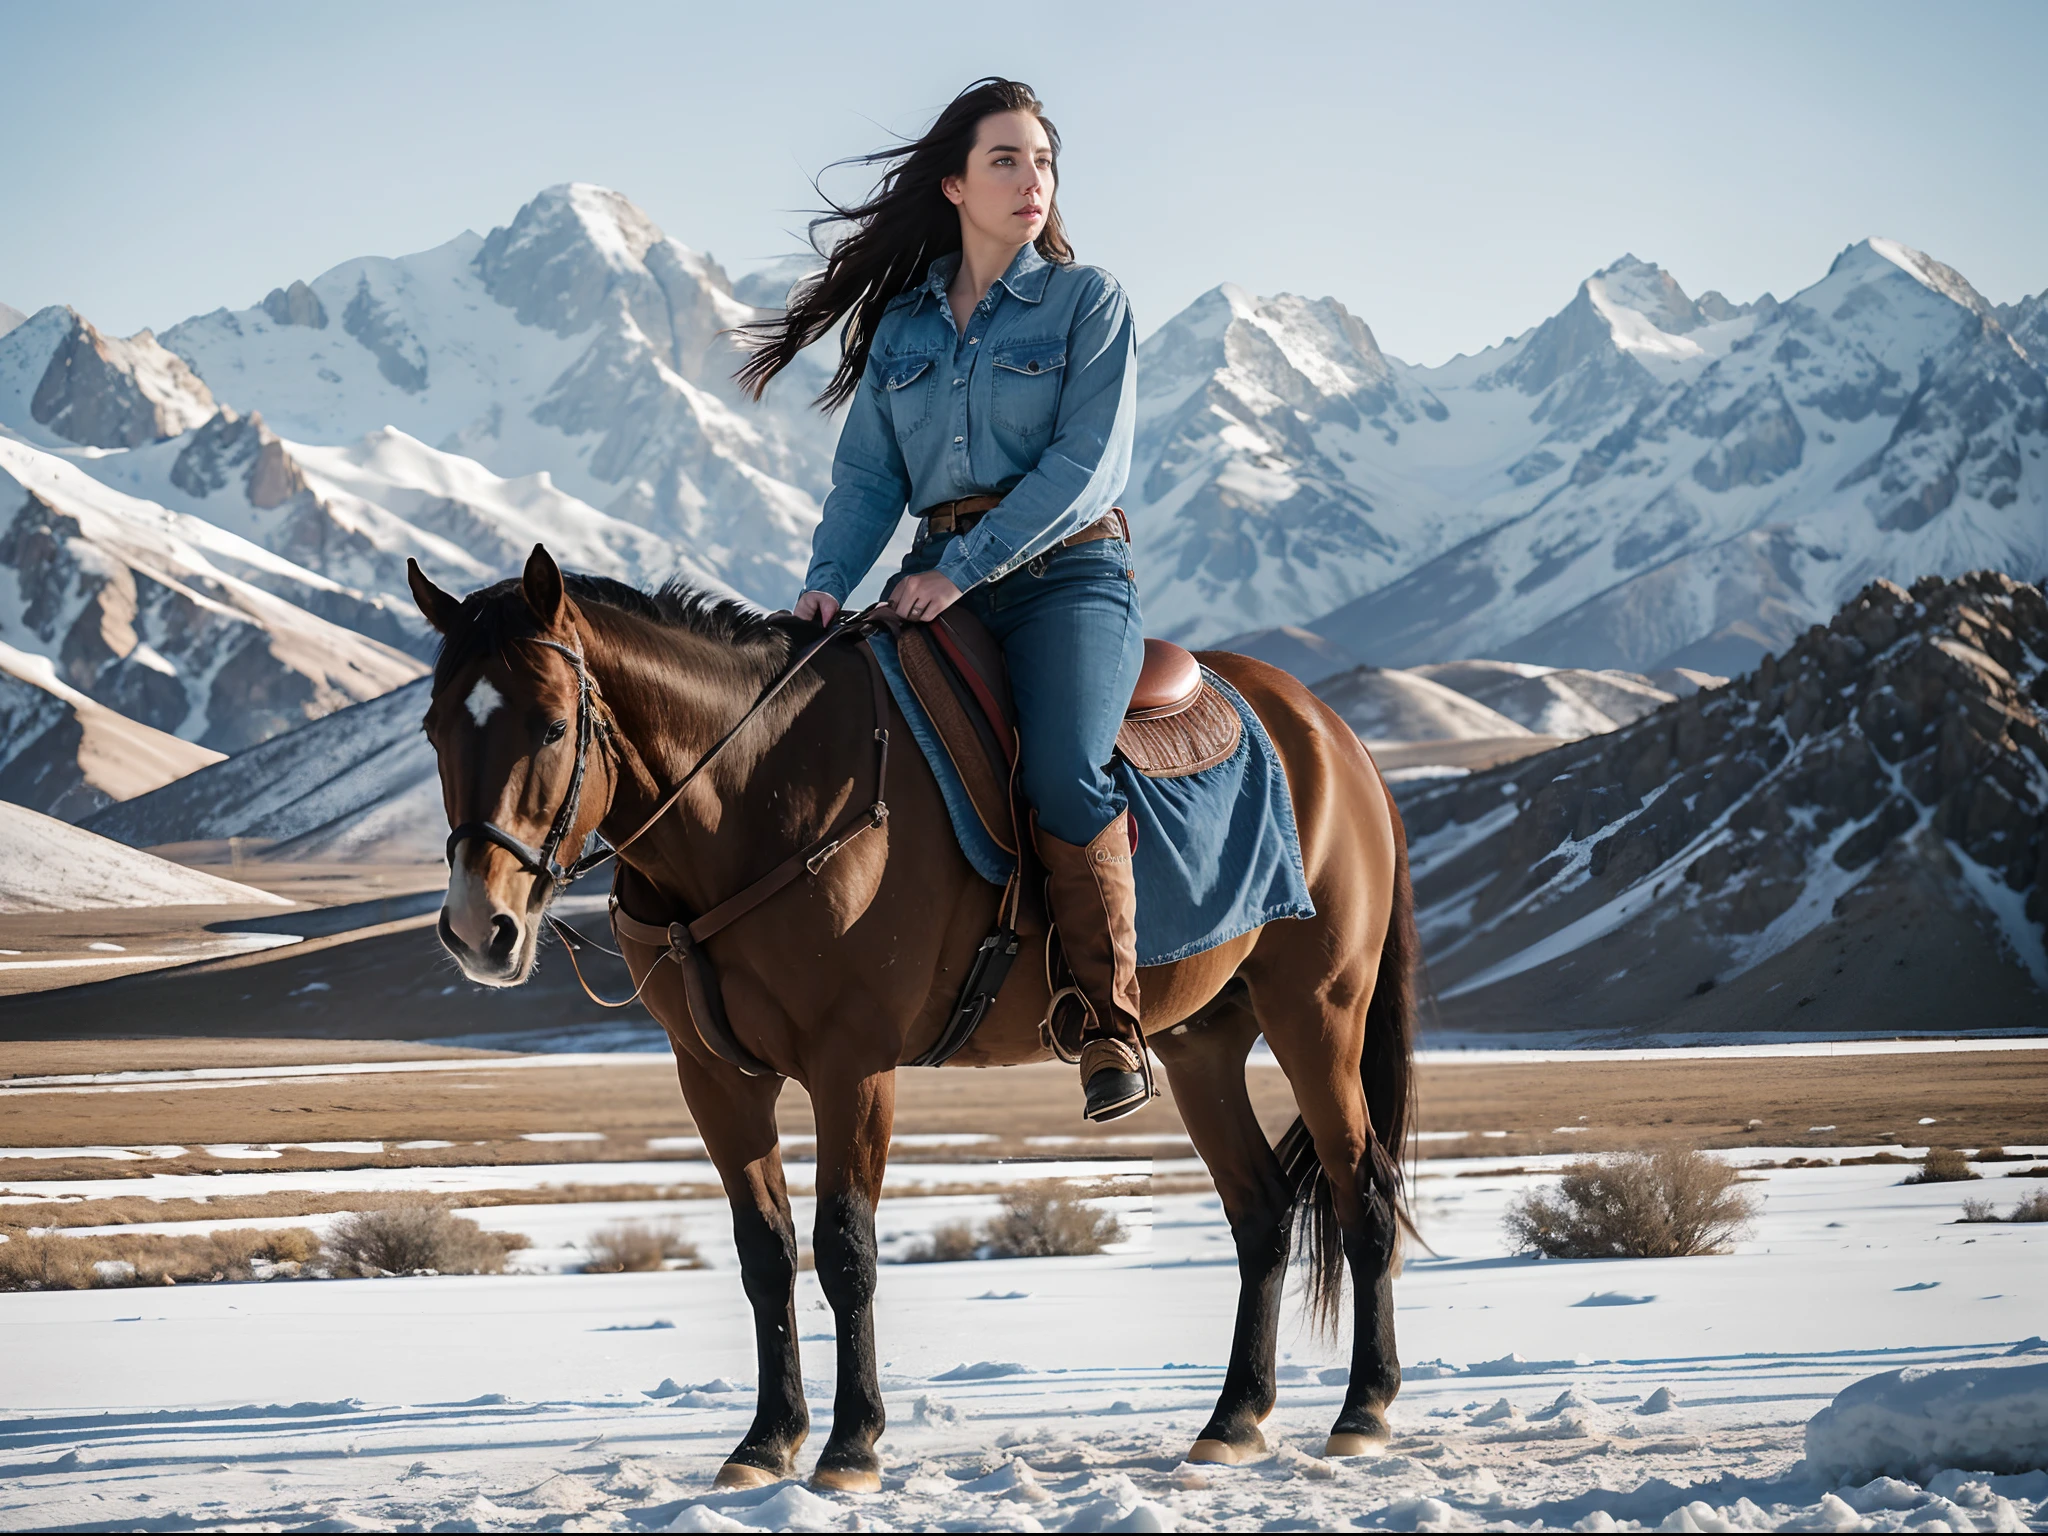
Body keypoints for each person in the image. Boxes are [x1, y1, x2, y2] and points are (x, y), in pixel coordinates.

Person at [736, 77, 1148, 1122]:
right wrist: (826, 584)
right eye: (1006, 161)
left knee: (1061, 771)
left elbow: (1083, 469)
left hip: (1068, 577)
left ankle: (1109, 1021)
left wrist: (956, 573)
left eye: (1044, 162)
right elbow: (869, 480)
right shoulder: (903, 328)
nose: (1031, 181)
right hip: (934, 580)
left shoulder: (1084, 300)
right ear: (956, 184)